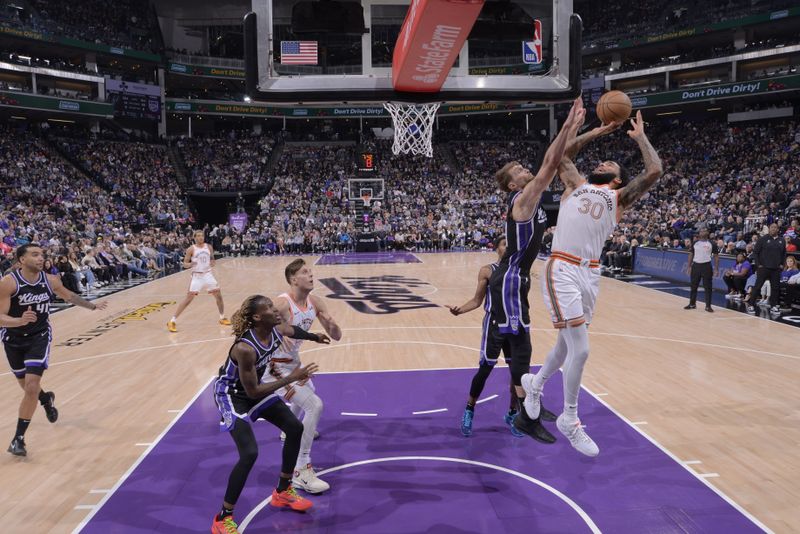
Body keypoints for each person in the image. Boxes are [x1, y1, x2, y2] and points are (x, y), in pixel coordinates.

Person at [521, 109, 664, 457]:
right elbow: (561, 155)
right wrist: (599, 130)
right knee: (581, 349)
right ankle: (570, 418)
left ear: (617, 179)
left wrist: (640, 137)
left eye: (609, 165)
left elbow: (655, 171)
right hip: (563, 269)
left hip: (590, 274)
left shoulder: (619, 198)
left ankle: (535, 385)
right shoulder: (576, 184)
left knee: (567, 347)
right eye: (600, 162)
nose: (602, 164)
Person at [487, 98, 585, 443]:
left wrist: (572, 129)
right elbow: (550, 161)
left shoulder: (532, 199)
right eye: (517, 171)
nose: (523, 169)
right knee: (521, 350)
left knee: (522, 348)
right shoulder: (523, 199)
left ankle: (528, 406)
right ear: (513, 185)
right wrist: (568, 125)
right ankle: (524, 415)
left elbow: (555, 161)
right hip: (510, 279)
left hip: (518, 279)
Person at [211, 295, 330, 534]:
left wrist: (314, 336)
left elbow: (292, 330)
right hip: (232, 395)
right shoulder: (245, 347)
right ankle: (223, 518)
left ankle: (283, 491)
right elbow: (253, 390)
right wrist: (291, 378)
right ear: (257, 317)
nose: (276, 310)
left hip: (252, 390)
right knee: (249, 453)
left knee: (295, 428)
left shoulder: (275, 329)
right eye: (269, 308)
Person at [1, 244, 108, 456]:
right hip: (12, 339)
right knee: (27, 387)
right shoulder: (8, 283)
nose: (41, 258)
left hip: (38, 337)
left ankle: (18, 439)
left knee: (31, 387)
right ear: (21, 260)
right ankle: (46, 400)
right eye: (35, 255)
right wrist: (19, 321)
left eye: (42, 255)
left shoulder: (51, 280)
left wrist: (92, 306)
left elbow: (70, 296)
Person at [448, 236, 555, 438]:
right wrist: (459, 310)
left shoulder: (521, 270)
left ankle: (513, 414)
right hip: (494, 325)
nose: (508, 247)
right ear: (496, 248)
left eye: (510, 244)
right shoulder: (488, 270)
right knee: (485, 369)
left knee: (517, 374)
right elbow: (477, 300)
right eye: (504, 244)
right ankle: (470, 409)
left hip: (516, 327)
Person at [270, 258, 342, 494]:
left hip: (294, 363)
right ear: (293, 280)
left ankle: (287, 430)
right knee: (314, 406)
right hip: (274, 367)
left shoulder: (316, 302)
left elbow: (337, 336)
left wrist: (331, 325)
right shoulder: (281, 304)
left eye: (310, 271)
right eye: (304, 272)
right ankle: (301, 470)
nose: (311, 275)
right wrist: (278, 333)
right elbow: (251, 324)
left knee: (309, 393)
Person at [168, 230, 230, 332]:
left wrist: (212, 262)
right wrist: (191, 264)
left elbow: (212, 260)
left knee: (219, 296)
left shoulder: (208, 247)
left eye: (202, 236)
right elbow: (184, 264)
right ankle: (172, 321)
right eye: (199, 236)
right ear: (195, 238)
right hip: (197, 276)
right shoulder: (191, 249)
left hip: (208, 275)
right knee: (188, 299)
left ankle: (222, 318)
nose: (201, 237)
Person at [745, 224, 786, 315]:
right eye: (772, 227)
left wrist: (782, 265)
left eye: (775, 227)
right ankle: (751, 305)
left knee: (775, 288)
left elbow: (784, 254)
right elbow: (755, 253)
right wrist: (758, 265)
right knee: (757, 287)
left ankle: (773, 306)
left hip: (776, 269)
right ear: (769, 229)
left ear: (778, 229)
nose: (773, 229)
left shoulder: (782, 240)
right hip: (763, 268)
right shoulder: (763, 239)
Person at [684, 228, 719, 312]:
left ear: (707, 233)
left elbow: (716, 257)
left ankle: (708, 306)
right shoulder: (695, 243)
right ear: (699, 233)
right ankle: (692, 304)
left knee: (708, 287)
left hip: (706, 266)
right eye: (701, 231)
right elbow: (691, 254)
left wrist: (716, 269)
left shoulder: (712, 243)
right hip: (696, 265)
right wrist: (689, 266)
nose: (702, 232)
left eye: (704, 230)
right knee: (693, 286)